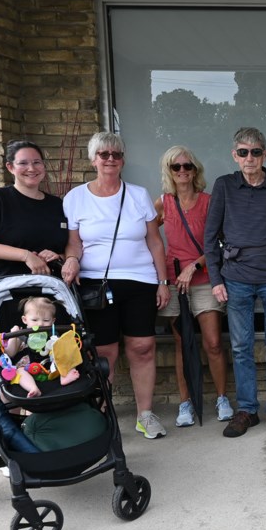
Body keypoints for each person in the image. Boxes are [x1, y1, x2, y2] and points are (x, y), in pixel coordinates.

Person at [61, 132, 170, 439]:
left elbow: (154, 241)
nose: (110, 159)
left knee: (143, 347)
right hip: (97, 283)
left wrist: (163, 282)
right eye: (104, 154)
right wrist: (71, 259)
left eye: (116, 155)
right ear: (93, 159)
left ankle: (145, 415)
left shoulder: (137, 194)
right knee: (104, 351)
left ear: (123, 160)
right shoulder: (76, 198)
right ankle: (103, 415)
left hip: (140, 281)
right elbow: (74, 243)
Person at [203, 127, 266, 438]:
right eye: (243, 152)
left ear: (265, 155)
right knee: (241, 347)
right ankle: (246, 409)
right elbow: (210, 238)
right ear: (235, 155)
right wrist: (216, 278)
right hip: (236, 279)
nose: (249, 158)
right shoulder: (224, 186)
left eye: (255, 152)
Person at [154, 145, 232, 427]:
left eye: (188, 166)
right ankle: (185, 402)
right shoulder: (164, 202)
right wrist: (162, 278)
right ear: (169, 171)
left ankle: (222, 397)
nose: (183, 171)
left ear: (195, 170)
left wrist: (195, 265)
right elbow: (149, 237)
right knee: (181, 344)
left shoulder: (209, 202)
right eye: (177, 167)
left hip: (205, 278)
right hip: (176, 283)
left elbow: (222, 242)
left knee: (213, 342)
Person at [0, 140, 68, 297]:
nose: (31, 168)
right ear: (10, 167)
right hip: (2, 294)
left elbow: (69, 245)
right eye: (23, 163)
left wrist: (59, 256)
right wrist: (26, 256)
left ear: (44, 166)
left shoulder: (57, 205)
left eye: (36, 162)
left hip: (49, 295)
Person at [0, 296, 81, 397]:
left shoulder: (53, 334)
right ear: (25, 319)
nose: (40, 324)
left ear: (53, 321)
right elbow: (10, 353)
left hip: (52, 368)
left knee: (67, 350)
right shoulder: (21, 334)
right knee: (19, 372)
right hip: (27, 368)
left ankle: (65, 376)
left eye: (46, 320)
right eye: (34, 320)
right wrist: (13, 334)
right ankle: (33, 388)